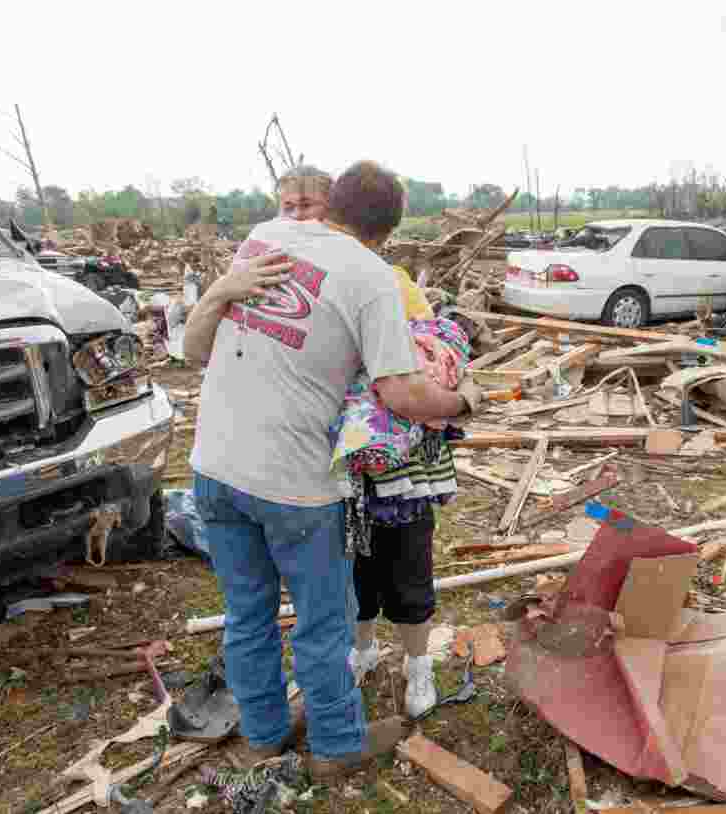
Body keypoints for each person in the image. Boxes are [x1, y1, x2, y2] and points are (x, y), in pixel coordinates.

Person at [183, 161, 482, 780]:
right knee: (324, 622)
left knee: (248, 612)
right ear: (388, 232)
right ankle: (336, 747)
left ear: (329, 204)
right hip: (294, 483)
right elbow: (400, 393)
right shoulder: (372, 276)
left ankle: (264, 734)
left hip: (212, 468)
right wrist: (460, 402)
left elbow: (196, 350)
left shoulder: (263, 239)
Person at [268, 165, 452, 718]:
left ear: (330, 213)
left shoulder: (389, 282)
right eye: (292, 208)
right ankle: (373, 653)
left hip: (386, 459)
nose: (302, 218)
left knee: (394, 563)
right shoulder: (314, 273)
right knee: (367, 565)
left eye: (309, 208)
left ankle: (411, 665)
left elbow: (419, 365)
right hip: (357, 460)